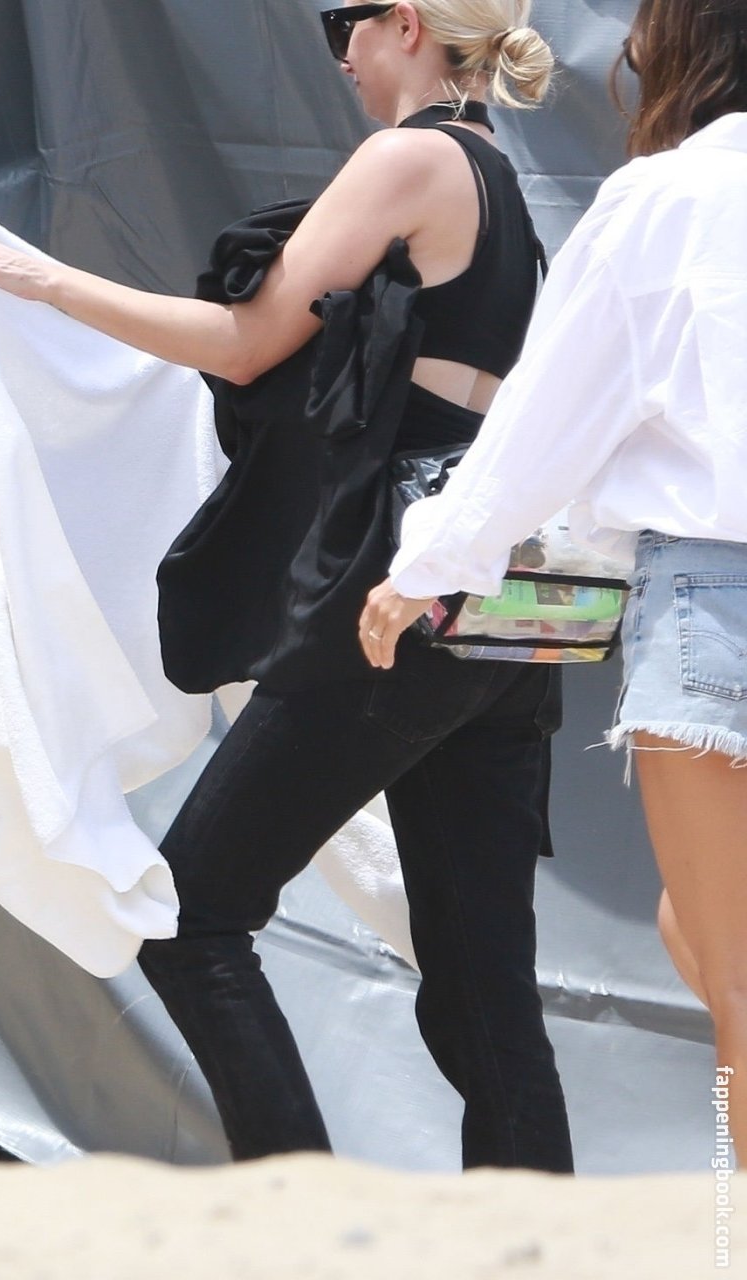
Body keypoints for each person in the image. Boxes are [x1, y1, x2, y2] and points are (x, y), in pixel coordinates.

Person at [0, 1, 572, 1169]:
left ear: (406, 22)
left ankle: (300, 1208)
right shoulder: (507, 189)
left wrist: (44, 278)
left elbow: (244, 339)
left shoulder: (413, 158)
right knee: (485, 981)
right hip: (517, 597)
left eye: (346, 23)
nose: (341, 54)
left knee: (191, 913)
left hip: (402, 594)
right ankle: (543, 1235)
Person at [362, 0, 747, 1100]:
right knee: (693, 929)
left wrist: (429, 562)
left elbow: (550, 414)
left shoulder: (669, 196)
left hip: (716, 591)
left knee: (734, 977)